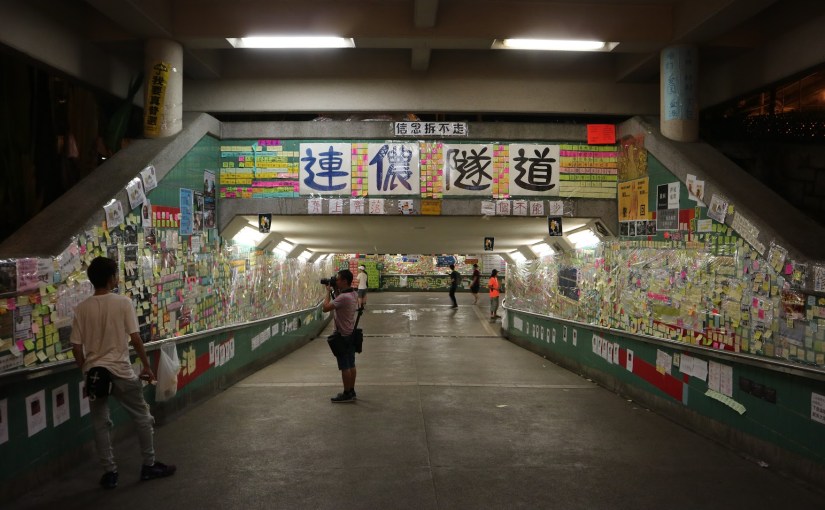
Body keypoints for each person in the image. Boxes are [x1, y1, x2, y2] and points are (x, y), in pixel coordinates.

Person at [70, 256, 176, 490]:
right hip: (121, 370)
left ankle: (110, 473)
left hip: (96, 374)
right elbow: (135, 338)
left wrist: (85, 370)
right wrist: (147, 366)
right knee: (143, 417)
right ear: (111, 279)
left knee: (100, 423)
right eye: (116, 274)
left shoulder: (80, 309)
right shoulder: (123, 303)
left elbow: (76, 347)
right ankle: (148, 465)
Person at [322, 269, 359, 403]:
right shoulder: (353, 294)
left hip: (342, 336)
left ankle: (346, 393)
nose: (335, 281)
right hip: (350, 334)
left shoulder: (343, 298)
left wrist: (327, 291)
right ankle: (352, 390)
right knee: (351, 364)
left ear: (344, 281)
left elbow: (325, 308)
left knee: (345, 367)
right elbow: (340, 299)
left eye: (337, 279)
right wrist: (335, 289)